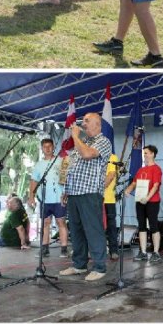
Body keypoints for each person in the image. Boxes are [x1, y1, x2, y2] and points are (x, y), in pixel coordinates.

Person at [58, 112, 111, 281]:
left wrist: (75, 137)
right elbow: (71, 168)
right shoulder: (82, 142)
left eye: (87, 121)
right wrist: (66, 190)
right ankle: (79, 265)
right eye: (83, 121)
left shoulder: (103, 141)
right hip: (74, 193)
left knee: (93, 230)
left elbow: (87, 155)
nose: (83, 123)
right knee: (76, 231)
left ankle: (99, 267)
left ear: (98, 124)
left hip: (90, 193)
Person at [27, 138, 69, 258]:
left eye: (49, 146)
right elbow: (34, 181)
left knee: (61, 222)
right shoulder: (39, 165)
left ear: (53, 147)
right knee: (45, 223)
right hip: (44, 199)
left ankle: (64, 249)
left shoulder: (61, 161)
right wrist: (31, 197)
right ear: (42, 148)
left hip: (59, 198)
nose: (47, 149)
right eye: (45, 147)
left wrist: (66, 193)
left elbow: (67, 179)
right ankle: (45, 249)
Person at [125, 145, 163, 262]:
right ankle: (143, 252)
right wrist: (128, 190)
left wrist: (148, 197)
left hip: (152, 201)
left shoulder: (156, 169)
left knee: (153, 225)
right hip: (140, 201)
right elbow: (134, 183)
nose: (144, 155)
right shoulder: (141, 170)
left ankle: (156, 252)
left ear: (152, 154)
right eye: (144, 153)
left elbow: (156, 186)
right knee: (141, 226)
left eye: (146, 153)